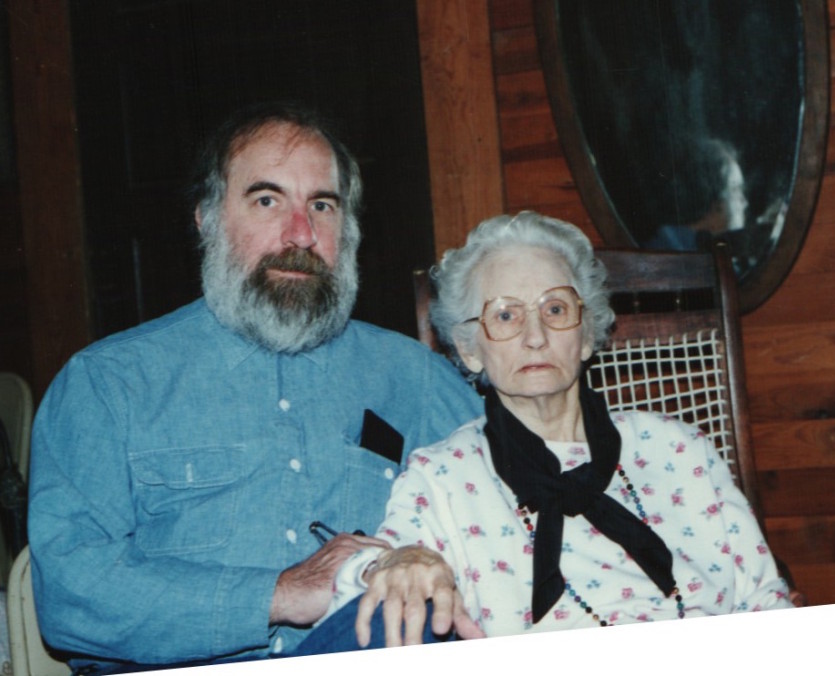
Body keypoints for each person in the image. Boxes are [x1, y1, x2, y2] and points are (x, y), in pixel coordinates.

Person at [27, 102, 484, 673]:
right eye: (267, 200)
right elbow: (71, 595)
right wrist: (282, 594)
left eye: (322, 205)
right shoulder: (108, 384)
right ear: (208, 218)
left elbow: (505, 523)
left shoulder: (413, 376)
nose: (302, 234)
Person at [316, 211, 793, 647]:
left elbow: (766, 600)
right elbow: (363, 583)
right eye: (505, 315)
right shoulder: (441, 478)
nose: (535, 335)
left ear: (586, 334)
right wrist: (396, 561)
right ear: (470, 349)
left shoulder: (680, 449)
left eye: (556, 309)